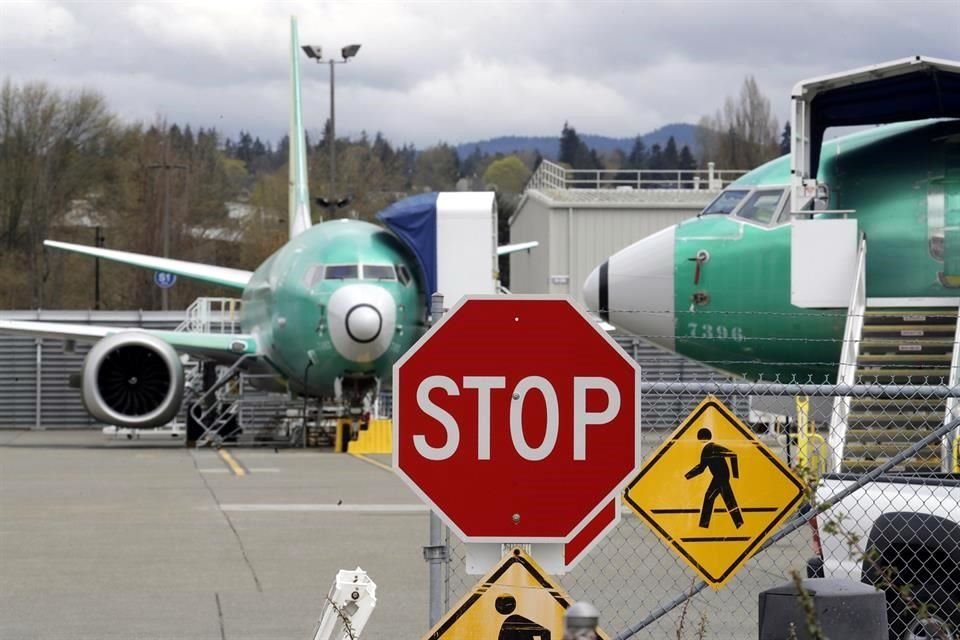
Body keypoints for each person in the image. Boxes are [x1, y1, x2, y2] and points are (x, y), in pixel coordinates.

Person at [684, 427, 744, 529]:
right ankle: (739, 523)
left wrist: (687, 476)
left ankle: (704, 524)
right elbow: (702, 467)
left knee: (710, 497)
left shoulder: (710, 448)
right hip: (720, 476)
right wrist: (687, 476)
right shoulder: (712, 448)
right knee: (727, 499)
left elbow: (701, 467)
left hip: (720, 477)